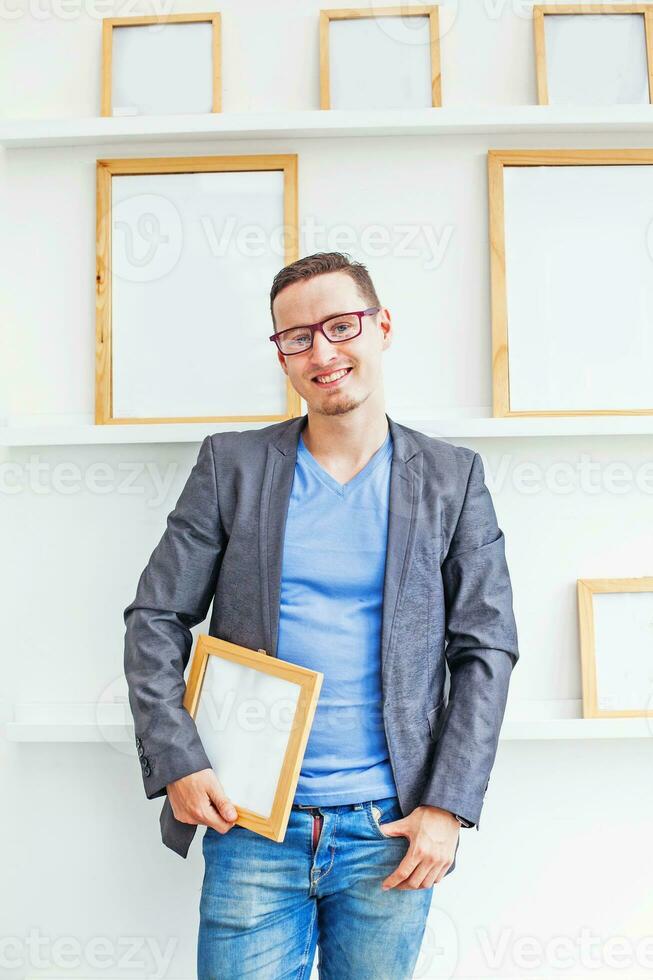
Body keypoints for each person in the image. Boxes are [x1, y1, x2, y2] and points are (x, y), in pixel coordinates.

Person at [123, 251, 520, 979]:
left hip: (390, 828)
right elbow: (154, 617)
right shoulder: (230, 466)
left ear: (381, 327)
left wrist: (447, 808)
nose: (322, 352)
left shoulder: (450, 477)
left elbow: (485, 646)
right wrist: (179, 760)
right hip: (250, 822)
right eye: (297, 337)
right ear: (279, 353)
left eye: (341, 326)